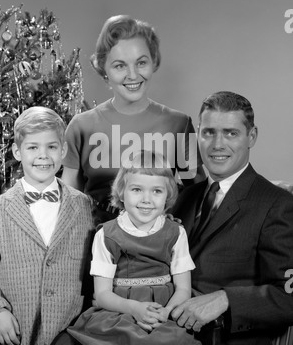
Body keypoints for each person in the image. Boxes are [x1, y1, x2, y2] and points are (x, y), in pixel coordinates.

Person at [170, 91, 293, 345]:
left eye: (230, 133)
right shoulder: (182, 197)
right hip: (167, 340)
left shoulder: (278, 204)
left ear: (252, 136)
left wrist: (225, 299)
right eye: (209, 132)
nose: (217, 144)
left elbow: (288, 296)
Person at [48, 150, 203, 345]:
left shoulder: (176, 232)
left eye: (157, 191)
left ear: (168, 195)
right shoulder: (108, 234)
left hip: (163, 313)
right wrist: (135, 309)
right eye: (137, 189)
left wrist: (166, 313)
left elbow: (183, 288)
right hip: (122, 313)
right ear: (122, 192)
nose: (146, 199)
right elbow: (102, 295)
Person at [61, 14, 205, 228]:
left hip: (159, 250)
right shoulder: (82, 126)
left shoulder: (178, 125)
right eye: (120, 66)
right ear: (104, 69)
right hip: (96, 245)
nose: (133, 75)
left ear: (154, 61)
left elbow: (199, 197)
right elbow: (67, 201)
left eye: (141, 63)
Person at [0, 107, 94, 345]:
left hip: (69, 335)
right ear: (17, 152)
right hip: (15, 335)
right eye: (32, 148)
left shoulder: (83, 205)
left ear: (63, 151)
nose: (43, 156)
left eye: (51, 147)